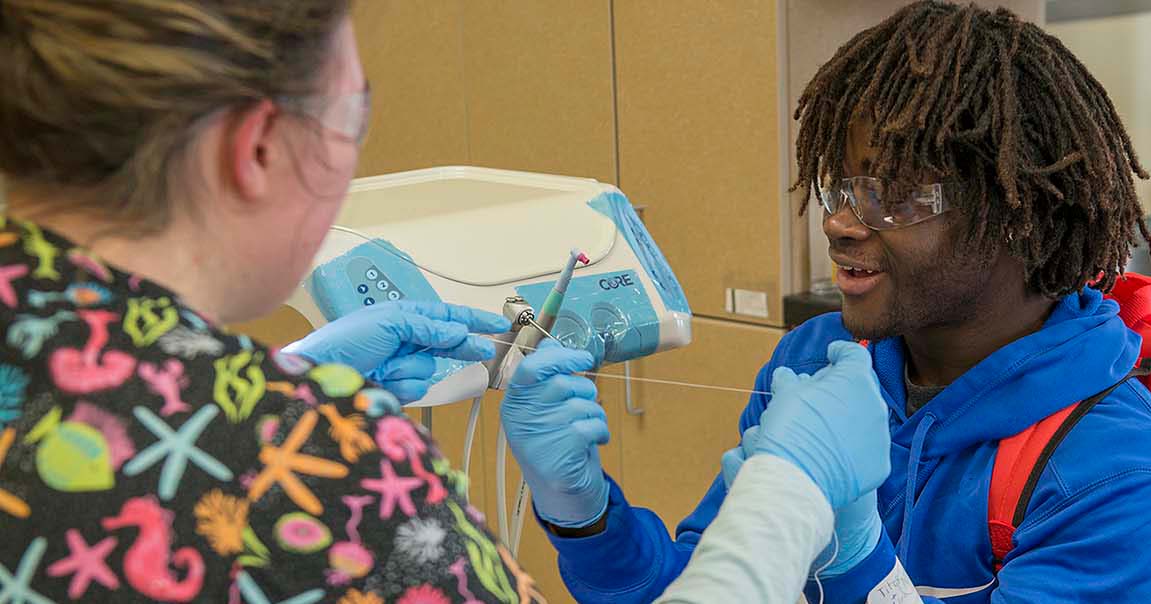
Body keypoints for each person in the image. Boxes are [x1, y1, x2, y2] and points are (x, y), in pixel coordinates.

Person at [0, 1, 903, 602]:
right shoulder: (338, 476)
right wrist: (786, 499)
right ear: (258, 149)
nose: (846, 223)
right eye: (353, 120)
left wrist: (269, 388)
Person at [500, 2, 1151, 603]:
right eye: (840, 186)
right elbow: (708, 582)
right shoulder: (821, 361)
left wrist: (857, 553)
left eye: (893, 196)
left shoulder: (1120, 478)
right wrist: (586, 515)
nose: (839, 221)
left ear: (1015, 218)